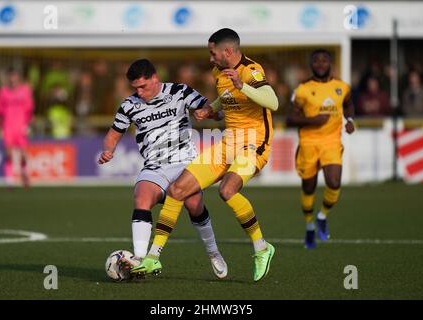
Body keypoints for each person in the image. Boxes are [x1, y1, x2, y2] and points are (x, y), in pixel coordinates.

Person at [132, 28, 279, 282]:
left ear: (228, 52)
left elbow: (272, 101)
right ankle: (153, 257)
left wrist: (243, 85)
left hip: (253, 144)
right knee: (178, 190)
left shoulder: (250, 70)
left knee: (227, 191)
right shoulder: (219, 73)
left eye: (213, 53)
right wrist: (210, 109)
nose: (210, 58)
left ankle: (262, 248)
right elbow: (227, 97)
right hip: (228, 143)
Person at [98, 59, 228, 279]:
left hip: (185, 164)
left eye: (143, 86)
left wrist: (208, 113)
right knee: (141, 197)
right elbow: (113, 134)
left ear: (155, 78)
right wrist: (108, 150)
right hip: (155, 167)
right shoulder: (129, 105)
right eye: (135, 88)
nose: (139, 92)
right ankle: (140, 260)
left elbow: (212, 110)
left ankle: (213, 252)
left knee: (194, 205)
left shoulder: (180, 92)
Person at [286, 49, 355, 249]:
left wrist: (349, 119)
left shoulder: (342, 87)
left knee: (334, 183)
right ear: (311, 64)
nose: (321, 64)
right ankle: (309, 226)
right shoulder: (303, 90)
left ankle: (322, 215)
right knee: (309, 187)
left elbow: (349, 104)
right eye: (316, 60)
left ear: (330, 63)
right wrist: (312, 120)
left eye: (325, 60)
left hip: (331, 142)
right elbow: (291, 118)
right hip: (308, 143)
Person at [0, 67, 34, 187]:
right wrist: (0, 126)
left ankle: (24, 172)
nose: (12, 79)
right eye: (10, 76)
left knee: (23, 153)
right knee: (8, 152)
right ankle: (9, 179)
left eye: (14, 76)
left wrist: (28, 124)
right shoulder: (3, 91)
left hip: (21, 125)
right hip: (8, 126)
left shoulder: (25, 90)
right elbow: (0, 110)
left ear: (18, 77)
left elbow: (30, 109)